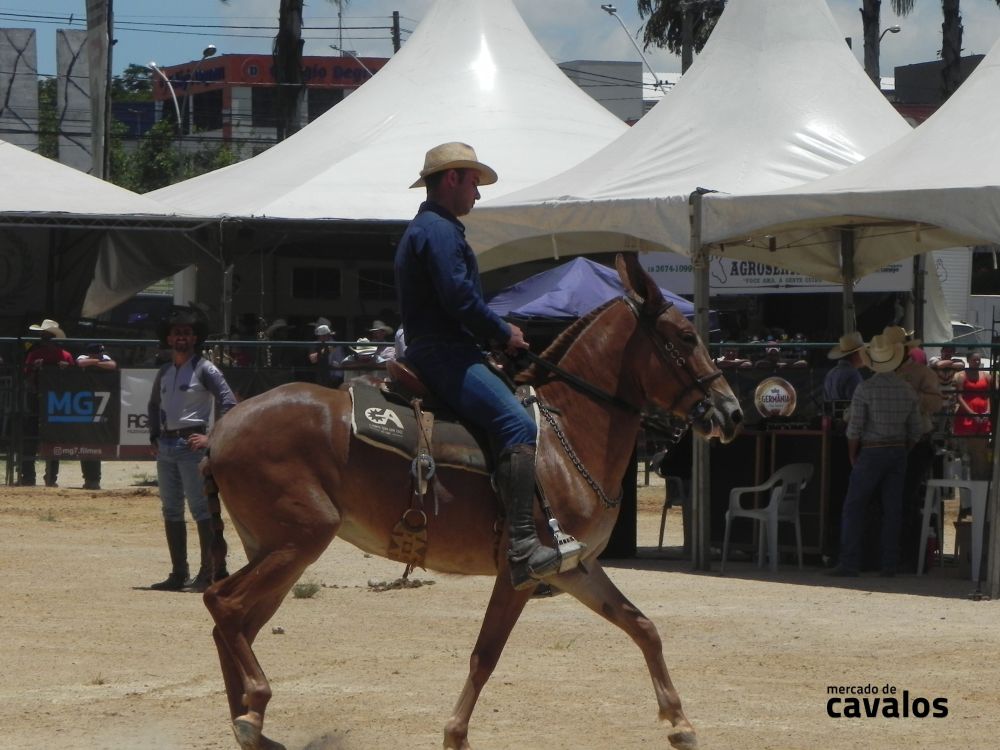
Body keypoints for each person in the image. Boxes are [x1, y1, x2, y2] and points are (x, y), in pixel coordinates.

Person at [394, 141, 580, 590]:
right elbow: (459, 299)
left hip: (441, 347)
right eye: (474, 183)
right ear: (452, 178)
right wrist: (502, 332)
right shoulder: (440, 232)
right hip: (445, 353)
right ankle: (522, 545)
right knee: (518, 425)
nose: (477, 194)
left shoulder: (431, 229)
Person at [147, 308, 237, 592]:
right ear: (169, 338)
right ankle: (178, 573)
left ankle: (208, 573)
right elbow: (153, 405)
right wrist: (154, 435)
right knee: (171, 509)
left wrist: (212, 438)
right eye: (177, 333)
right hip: (167, 445)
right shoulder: (164, 371)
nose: (181, 337)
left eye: (187, 333)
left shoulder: (205, 369)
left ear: (195, 338)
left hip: (190, 445)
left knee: (200, 508)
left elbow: (228, 402)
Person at [827, 334, 922, 577]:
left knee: (854, 506)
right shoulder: (907, 390)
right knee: (893, 509)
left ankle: (850, 562)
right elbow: (916, 430)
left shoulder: (866, 388)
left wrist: (852, 455)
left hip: (872, 450)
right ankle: (889, 563)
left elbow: (855, 428)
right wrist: (904, 449)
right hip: (897, 450)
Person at [20, 319, 75, 487]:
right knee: (31, 436)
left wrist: (67, 370)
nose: (44, 340)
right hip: (39, 399)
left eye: (47, 337)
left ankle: (50, 476)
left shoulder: (65, 356)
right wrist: (34, 369)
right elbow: (26, 378)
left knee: (52, 438)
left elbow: (75, 380)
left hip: (56, 401)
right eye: (43, 337)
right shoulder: (35, 354)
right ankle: (29, 476)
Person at [75, 343, 118, 490]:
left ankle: (94, 479)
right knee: (85, 443)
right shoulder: (83, 357)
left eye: (101, 354)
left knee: (96, 442)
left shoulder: (105, 358)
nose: (100, 356)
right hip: (83, 404)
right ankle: (89, 478)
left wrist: (95, 362)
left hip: (101, 404)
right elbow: (80, 363)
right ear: (90, 353)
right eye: (97, 354)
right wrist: (96, 362)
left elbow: (112, 365)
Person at [953, 351, 992, 480]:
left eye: (978, 360)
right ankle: (966, 482)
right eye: (974, 360)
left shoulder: (986, 376)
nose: (977, 362)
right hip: (966, 417)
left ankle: (980, 480)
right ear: (968, 360)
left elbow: (988, 396)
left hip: (983, 418)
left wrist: (988, 411)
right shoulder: (962, 376)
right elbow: (959, 397)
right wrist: (971, 413)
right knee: (966, 452)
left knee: (980, 453)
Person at [823, 331, 868, 402]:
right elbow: (859, 403)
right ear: (855, 355)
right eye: (862, 352)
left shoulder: (830, 374)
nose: (865, 355)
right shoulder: (853, 375)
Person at [308, 318, 346, 388]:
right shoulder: (315, 344)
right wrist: (324, 351)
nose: (322, 336)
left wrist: (335, 378)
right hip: (318, 376)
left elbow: (340, 363)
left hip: (332, 378)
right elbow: (313, 360)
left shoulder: (336, 345)